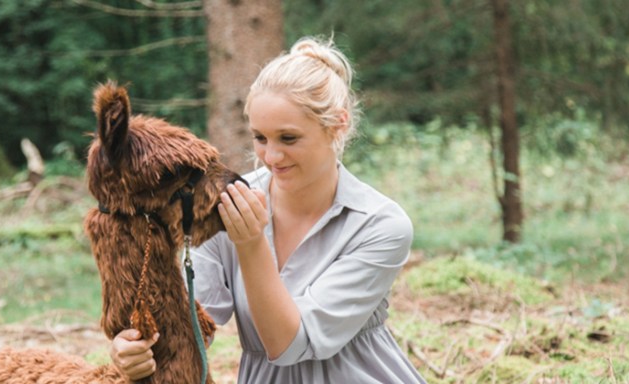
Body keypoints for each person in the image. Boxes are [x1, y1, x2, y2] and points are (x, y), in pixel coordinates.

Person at [109, 36, 426, 383]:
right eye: (260, 138)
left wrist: (251, 244)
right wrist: (134, 352)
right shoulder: (227, 204)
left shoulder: (380, 225)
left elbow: (290, 344)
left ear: (339, 124)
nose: (271, 157)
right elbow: (195, 329)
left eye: (288, 139)